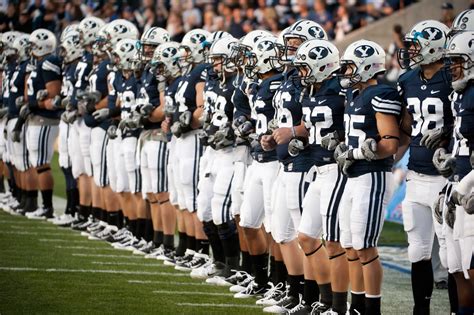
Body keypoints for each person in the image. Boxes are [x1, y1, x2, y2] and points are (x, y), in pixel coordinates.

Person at [337, 39, 409, 315]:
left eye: (351, 66)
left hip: (371, 176)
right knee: (351, 247)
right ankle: (355, 306)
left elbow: (390, 145)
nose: (346, 72)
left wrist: (355, 153)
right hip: (353, 176)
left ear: (367, 67)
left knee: (365, 248)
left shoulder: (381, 94)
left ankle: (372, 308)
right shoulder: (355, 95)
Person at [397, 19, 453, 315]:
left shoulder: (453, 77)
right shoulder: (407, 80)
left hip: (446, 177)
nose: (411, 51)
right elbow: (407, 127)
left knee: (451, 256)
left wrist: (447, 136)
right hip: (416, 174)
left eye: (416, 45)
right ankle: (422, 310)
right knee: (417, 250)